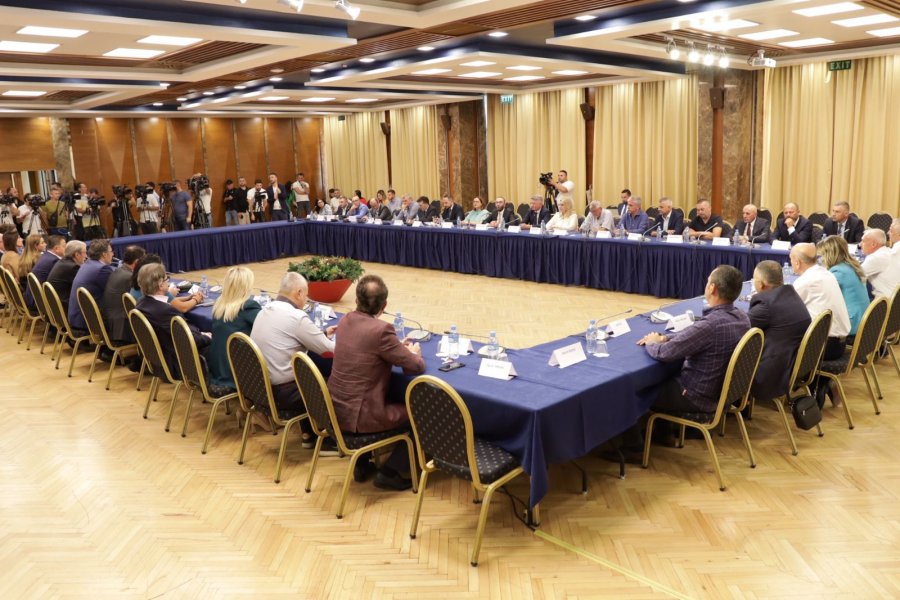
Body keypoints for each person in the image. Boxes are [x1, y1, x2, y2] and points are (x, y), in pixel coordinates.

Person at [328, 274, 425, 489]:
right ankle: (391, 471)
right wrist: (413, 353)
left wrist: (395, 347)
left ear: (356, 300)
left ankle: (362, 464)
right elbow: (416, 366)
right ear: (385, 305)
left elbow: (367, 347)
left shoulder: (345, 320)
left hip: (334, 411)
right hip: (361, 417)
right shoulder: (382, 331)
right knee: (422, 411)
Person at [638, 265, 750, 417]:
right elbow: (692, 334)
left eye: (708, 281)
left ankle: (639, 432)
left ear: (712, 288)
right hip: (721, 395)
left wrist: (652, 342)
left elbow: (664, 353)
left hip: (696, 397)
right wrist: (665, 337)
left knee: (641, 389)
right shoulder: (742, 317)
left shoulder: (710, 325)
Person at [250, 271, 337, 448]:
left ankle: (308, 434)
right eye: (306, 295)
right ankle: (328, 440)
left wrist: (320, 334)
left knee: (304, 373)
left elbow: (286, 337)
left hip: (259, 389)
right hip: (284, 394)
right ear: (298, 293)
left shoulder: (264, 311)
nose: (306, 300)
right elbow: (329, 351)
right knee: (335, 386)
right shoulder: (296, 317)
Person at [747, 260, 811, 405]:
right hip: (793, 364)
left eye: (754, 279)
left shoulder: (765, 305)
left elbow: (740, 328)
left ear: (761, 284)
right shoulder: (791, 293)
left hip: (771, 373)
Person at [136, 262, 210, 377]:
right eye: (167, 279)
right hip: (179, 363)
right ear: (161, 285)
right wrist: (207, 336)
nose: (169, 282)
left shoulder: (141, 303)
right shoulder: (165, 311)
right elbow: (191, 340)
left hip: (157, 361)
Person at [790, 243, 851, 361]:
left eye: (791, 259)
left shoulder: (806, 281)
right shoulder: (826, 273)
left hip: (825, 347)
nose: (791, 262)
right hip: (839, 343)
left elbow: (786, 308)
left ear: (797, 262)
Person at [209, 266, 262, 390]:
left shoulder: (219, 305)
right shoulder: (248, 306)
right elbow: (266, 327)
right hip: (237, 374)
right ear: (246, 286)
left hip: (218, 370)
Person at [817, 236, 869, 339]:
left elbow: (822, 295)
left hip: (852, 323)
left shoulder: (838, 272)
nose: (820, 259)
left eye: (821, 255)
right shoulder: (850, 265)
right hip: (863, 319)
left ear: (829, 254)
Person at [67, 238, 116, 335]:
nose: (113, 254)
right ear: (104, 254)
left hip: (78, 317)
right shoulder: (102, 269)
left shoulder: (87, 264)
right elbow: (113, 292)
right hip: (87, 320)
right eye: (111, 251)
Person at [129, 253, 203, 313]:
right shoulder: (157, 290)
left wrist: (187, 298)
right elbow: (183, 308)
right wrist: (196, 299)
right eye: (165, 279)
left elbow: (166, 301)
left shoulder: (140, 290)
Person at [102, 245, 146, 344]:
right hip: (122, 329)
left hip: (113, 322)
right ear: (137, 262)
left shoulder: (118, 270)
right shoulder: (129, 277)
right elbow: (144, 299)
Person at [25, 234, 65, 308]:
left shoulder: (46, 256)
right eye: (64, 246)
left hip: (32, 297)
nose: (66, 248)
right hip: (38, 302)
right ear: (56, 248)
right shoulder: (54, 261)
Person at [47, 240, 87, 313]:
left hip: (55, 306)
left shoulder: (63, 262)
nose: (86, 256)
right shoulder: (72, 267)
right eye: (84, 253)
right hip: (64, 308)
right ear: (77, 254)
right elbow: (85, 286)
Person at [860, 228, 900, 298]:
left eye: (863, 241)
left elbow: (854, 275)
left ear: (873, 244)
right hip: (895, 299)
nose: (860, 244)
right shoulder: (887, 251)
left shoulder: (875, 258)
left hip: (885, 301)